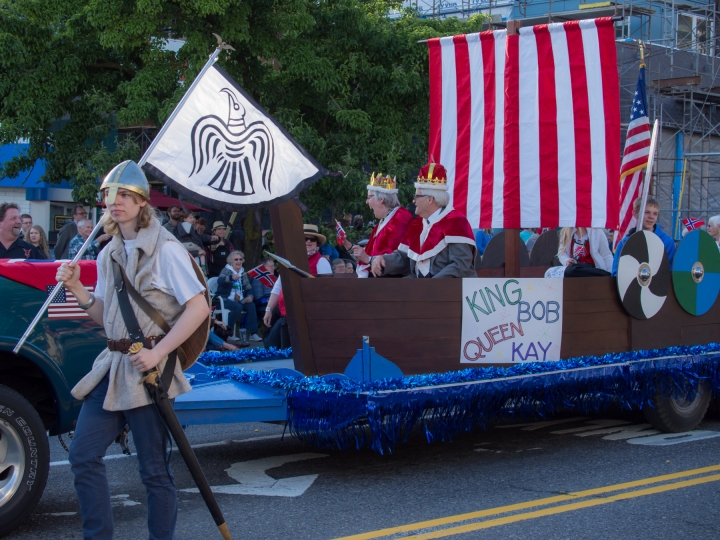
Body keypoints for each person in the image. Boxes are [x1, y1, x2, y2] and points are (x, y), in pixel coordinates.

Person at [54, 160, 210, 540]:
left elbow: (199, 308)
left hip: (150, 372)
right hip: (112, 368)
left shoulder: (166, 249)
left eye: (125, 195)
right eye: (110, 195)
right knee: (82, 455)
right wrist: (77, 291)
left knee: (154, 471)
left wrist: (158, 355)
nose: (115, 202)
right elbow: (107, 314)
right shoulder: (108, 253)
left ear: (142, 202)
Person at [371, 161, 476, 278]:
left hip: (449, 291)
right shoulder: (416, 225)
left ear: (430, 199)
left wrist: (430, 287)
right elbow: (404, 258)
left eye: (416, 196)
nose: (413, 201)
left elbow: (460, 265)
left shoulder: (456, 222)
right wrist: (382, 259)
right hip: (420, 290)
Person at [345, 173, 414, 277]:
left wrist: (368, 258)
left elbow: (398, 260)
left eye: (369, 197)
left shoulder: (400, 218)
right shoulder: (384, 221)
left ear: (381, 199)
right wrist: (351, 247)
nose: (367, 202)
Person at [612, 196, 676, 276]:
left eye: (655, 213)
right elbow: (616, 274)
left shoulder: (666, 242)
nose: (651, 217)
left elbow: (670, 273)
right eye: (647, 212)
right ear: (635, 213)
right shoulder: (625, 243)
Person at [216, 250, 262, 341]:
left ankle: (253, 333)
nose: (239, 261)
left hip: (239, 300)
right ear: (231, 261)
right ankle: (230, 333)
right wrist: (230, 278)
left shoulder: (242, 272)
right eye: (236, 259)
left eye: (240, 259)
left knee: (251, 305)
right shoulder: (226, 270)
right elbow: (220, 281)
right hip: (224, 299)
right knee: (238, 307)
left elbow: (249, 288)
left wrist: (250, 296)